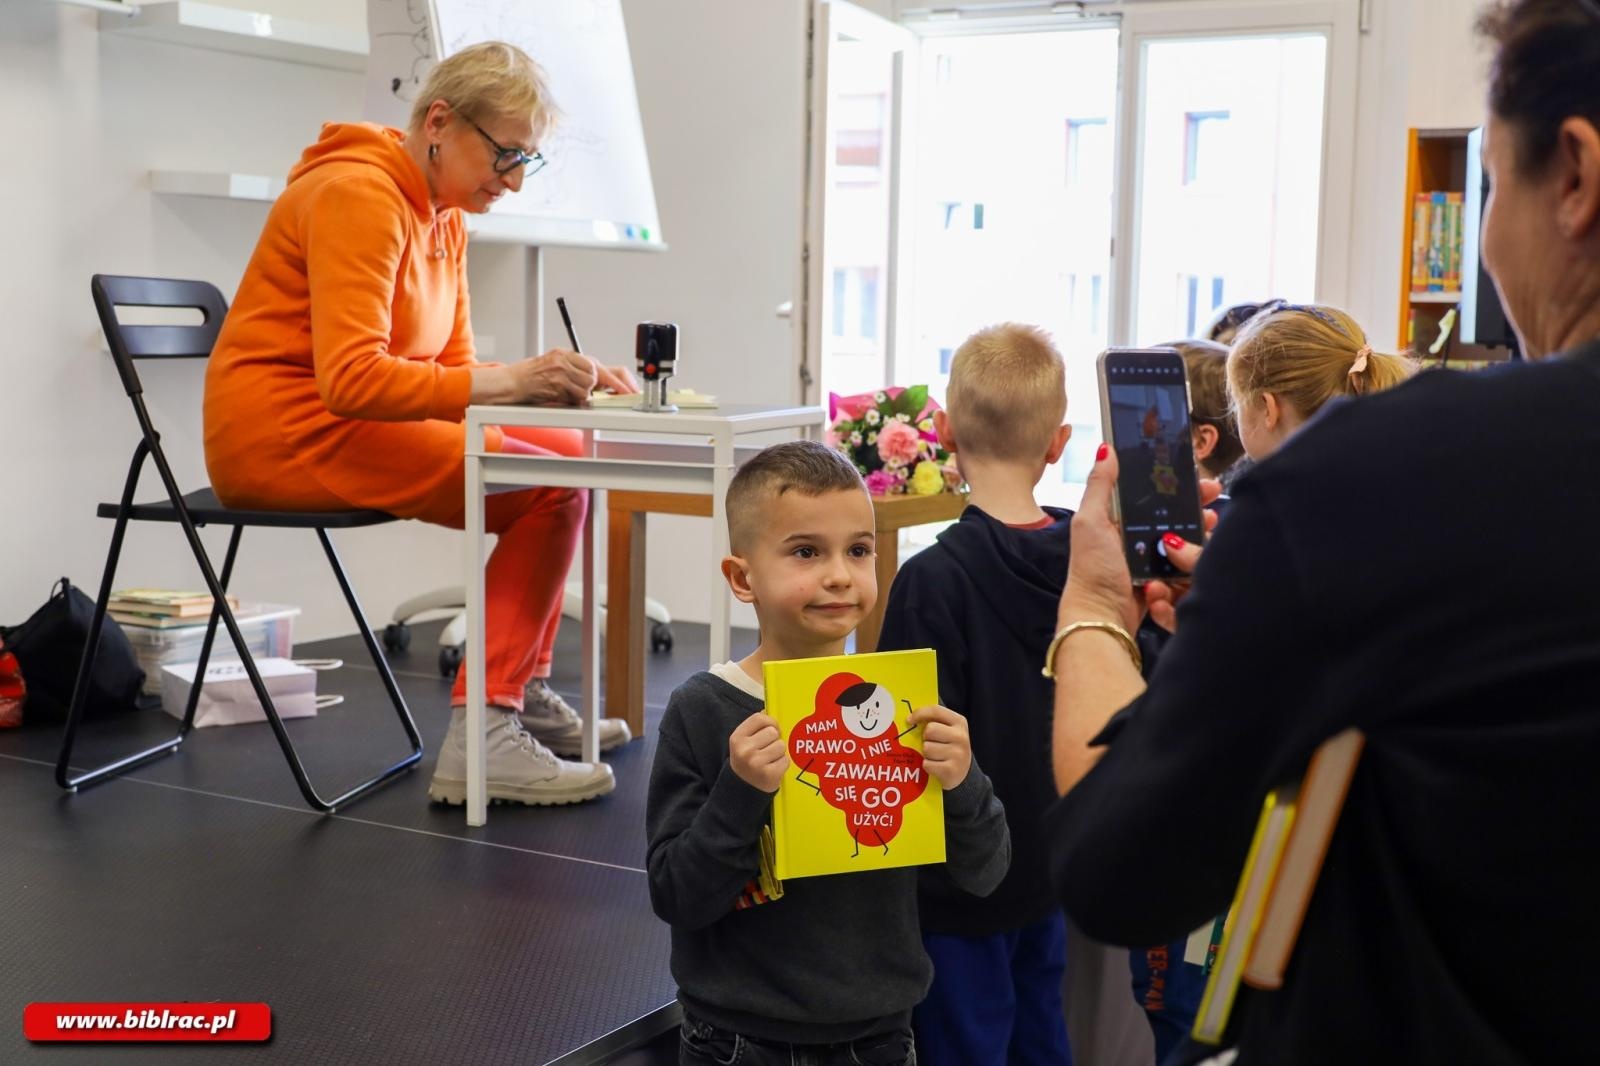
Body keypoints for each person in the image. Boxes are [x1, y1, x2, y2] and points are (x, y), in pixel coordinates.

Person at [1044, 1, 1600, 1062]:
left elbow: (1120, 869)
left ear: (1572, 174)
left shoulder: (1375, 479)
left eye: (1491, 184)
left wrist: (1093, 609)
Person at [203, 42, 635, 807]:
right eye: (504, 154)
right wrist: (517, 381)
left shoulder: (444, 217)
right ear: (439, 122)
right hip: (287, 433)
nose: (512, 180)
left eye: (526, 160)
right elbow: (351, 379)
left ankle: (518, 688)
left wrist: (556, 383)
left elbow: (455, 375)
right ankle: (487, 730)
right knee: (549, 485)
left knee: (570, 453)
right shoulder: (358, 195)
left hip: (347, 422)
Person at [646, 440, 1011, 1066]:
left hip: (878, 1037)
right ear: (743, 578)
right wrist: (740, 792)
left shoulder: (903, 707)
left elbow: (987, 872)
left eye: (858, 550)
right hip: (735, 1040)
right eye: (806, 552)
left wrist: (963, 781)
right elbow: (676, 894)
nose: (840, 574)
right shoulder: (703, 711)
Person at [874, 324, 1073, 1066]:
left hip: (958, 890)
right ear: (1058, 443)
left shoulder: (930, 582)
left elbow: (899, 750)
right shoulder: (1093, 564)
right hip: (1054, 865)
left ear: (946, 433)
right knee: (1042, 1041)